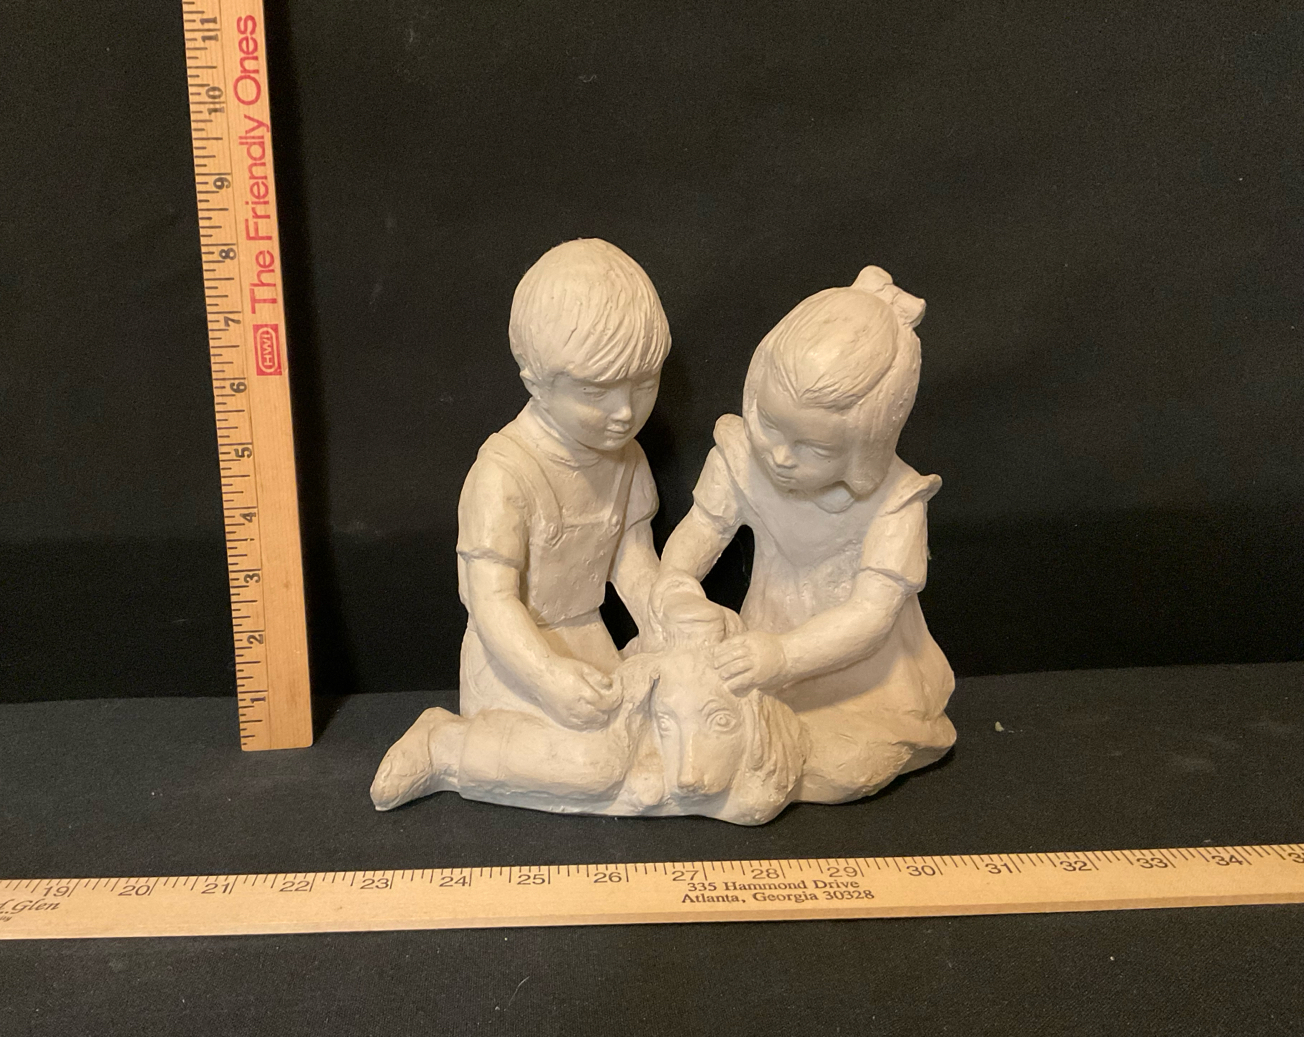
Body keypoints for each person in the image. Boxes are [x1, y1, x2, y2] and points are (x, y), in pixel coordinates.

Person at [372, 238, 670, 811]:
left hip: (589, 644)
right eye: (596, 391)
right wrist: (549, 676)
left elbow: (634, 565)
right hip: (515, 659)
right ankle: (444, 744)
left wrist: (670, 621)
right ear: (535, 380)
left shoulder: (628, 459)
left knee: (672, 731)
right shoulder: (504, 473)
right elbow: (490, 602)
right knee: (595, 766)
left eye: (644, 383)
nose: (625, 412)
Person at [651, 266, 955, 804]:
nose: (780, 456)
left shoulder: (895, 502)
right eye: (769, 424)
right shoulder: (741, 459)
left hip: (860, 676)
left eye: (813, 448)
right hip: (758, 647)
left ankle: (775, 763)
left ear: (868, 444)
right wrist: (675, 585)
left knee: (846, 764)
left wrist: (785, 657)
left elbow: (871, 616)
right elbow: (701, 531)